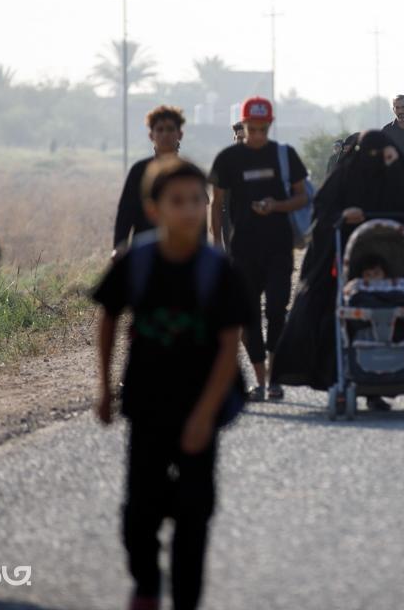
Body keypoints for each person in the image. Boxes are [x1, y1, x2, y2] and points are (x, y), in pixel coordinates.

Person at [93, 157, 249, 610]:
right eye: (175, 201)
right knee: (139, 511)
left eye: (195, 201)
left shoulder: (219, 270)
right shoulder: (137, 261)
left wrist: (204, 416)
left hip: (201, 408)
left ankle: (185, 599)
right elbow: (108, 320)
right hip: (145, 405)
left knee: (194, 513)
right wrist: (104, 388)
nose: (187, 210)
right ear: (154, 207)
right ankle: (145, 581)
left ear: (206, 205)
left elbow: (227, 347)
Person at [270, 130, 404, 396]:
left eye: (382, 155)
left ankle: (388, 379)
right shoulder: (346, 175)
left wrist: (394, 166)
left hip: (393, 262)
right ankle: (341, 379)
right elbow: (322, 209)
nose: (374, 160)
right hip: (345, 260)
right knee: (327, 314)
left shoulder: (397, 173)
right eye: (370, 155)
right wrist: (343, 215)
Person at [209, 97, 309, 401]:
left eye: (262, 128)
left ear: (270, 125)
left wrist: (276, 205)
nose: (257, 134)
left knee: (277, 310)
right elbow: (216, 204)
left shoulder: (284, 155)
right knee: (248, 316)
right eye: (252, 128)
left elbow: (302, 197)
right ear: (244, 125)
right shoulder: (228, 159)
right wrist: (216, 246)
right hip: (242, 250)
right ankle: (262, 379)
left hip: (279, 247)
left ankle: (275, 375)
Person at [114, 105, 185, 255]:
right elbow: (125, 213)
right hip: (144, 250)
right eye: (159, 129)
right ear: (151, 135)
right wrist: (119, 247)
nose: (165, 134)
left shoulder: (188, 172)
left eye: (170, 129)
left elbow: (199, 216)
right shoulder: (139, 170)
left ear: (180, 134)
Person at [381, 94, 404, 161]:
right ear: (393, 109)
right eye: (397, 108)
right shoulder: (386, 131)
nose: (400, 111)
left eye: (403, 107)